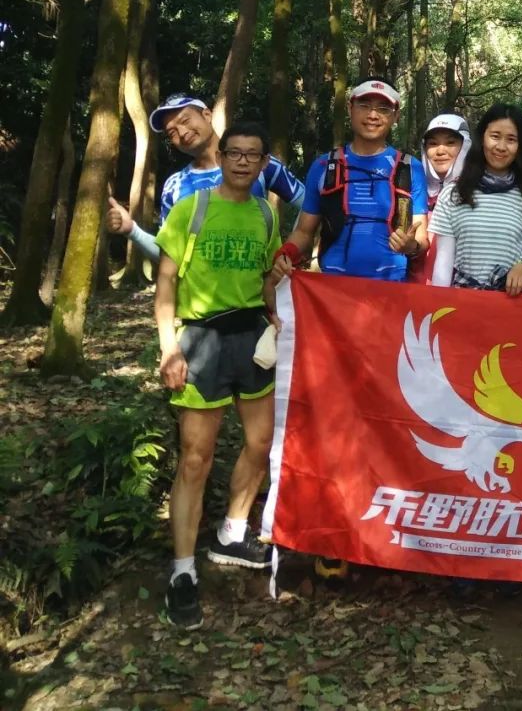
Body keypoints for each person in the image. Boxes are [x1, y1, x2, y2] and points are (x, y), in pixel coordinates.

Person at [154, 121, 282, 630]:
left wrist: (277, 303)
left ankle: (232, 532)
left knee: (261, 442)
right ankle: (182, 571)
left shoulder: (265, 214)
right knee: (195, 458)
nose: (243, 161)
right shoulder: (192, 208)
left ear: (264, 163)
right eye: (235, 153)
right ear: (222, 156)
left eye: (253, 155)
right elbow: (166, 282)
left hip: (250, 339)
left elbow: (265, 279)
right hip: (201, 339)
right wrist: (169, 348)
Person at [106, 93, 305, 264]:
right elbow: (168, 254)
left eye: (185, 120)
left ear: (207, 115)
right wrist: (132, 230)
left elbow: (311, 205)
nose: (182, 133)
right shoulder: (175, 185)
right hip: (198, 296)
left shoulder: (257, 162)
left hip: (257, 292)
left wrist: (286, 254)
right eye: (171, 132)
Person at [271, 80, 428, 283]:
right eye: (364, 105)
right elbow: (303, 232)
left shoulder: (410, 168)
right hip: (334, 286)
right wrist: (286, 253)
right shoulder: (324, 166)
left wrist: (411, 246)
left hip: (391, 287)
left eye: (383, 109)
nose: (373, 115)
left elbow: (421, 238)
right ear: (349, 108)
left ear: (396, 115)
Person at [429, 103, 522, 293]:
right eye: (495, 136)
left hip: (511, 304)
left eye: (511, 139)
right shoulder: (453, 194)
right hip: (463, 301)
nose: (501, 147)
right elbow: (443, 262)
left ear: (520, 146)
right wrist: (436, 304)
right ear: (482, 138)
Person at [410, 112, 472, 282]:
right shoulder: (410, 189)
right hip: (411, 291)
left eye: (450, 143)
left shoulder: (479, 195)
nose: (440, 151)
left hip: (461, 292)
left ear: (465, 146)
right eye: (433, 143)